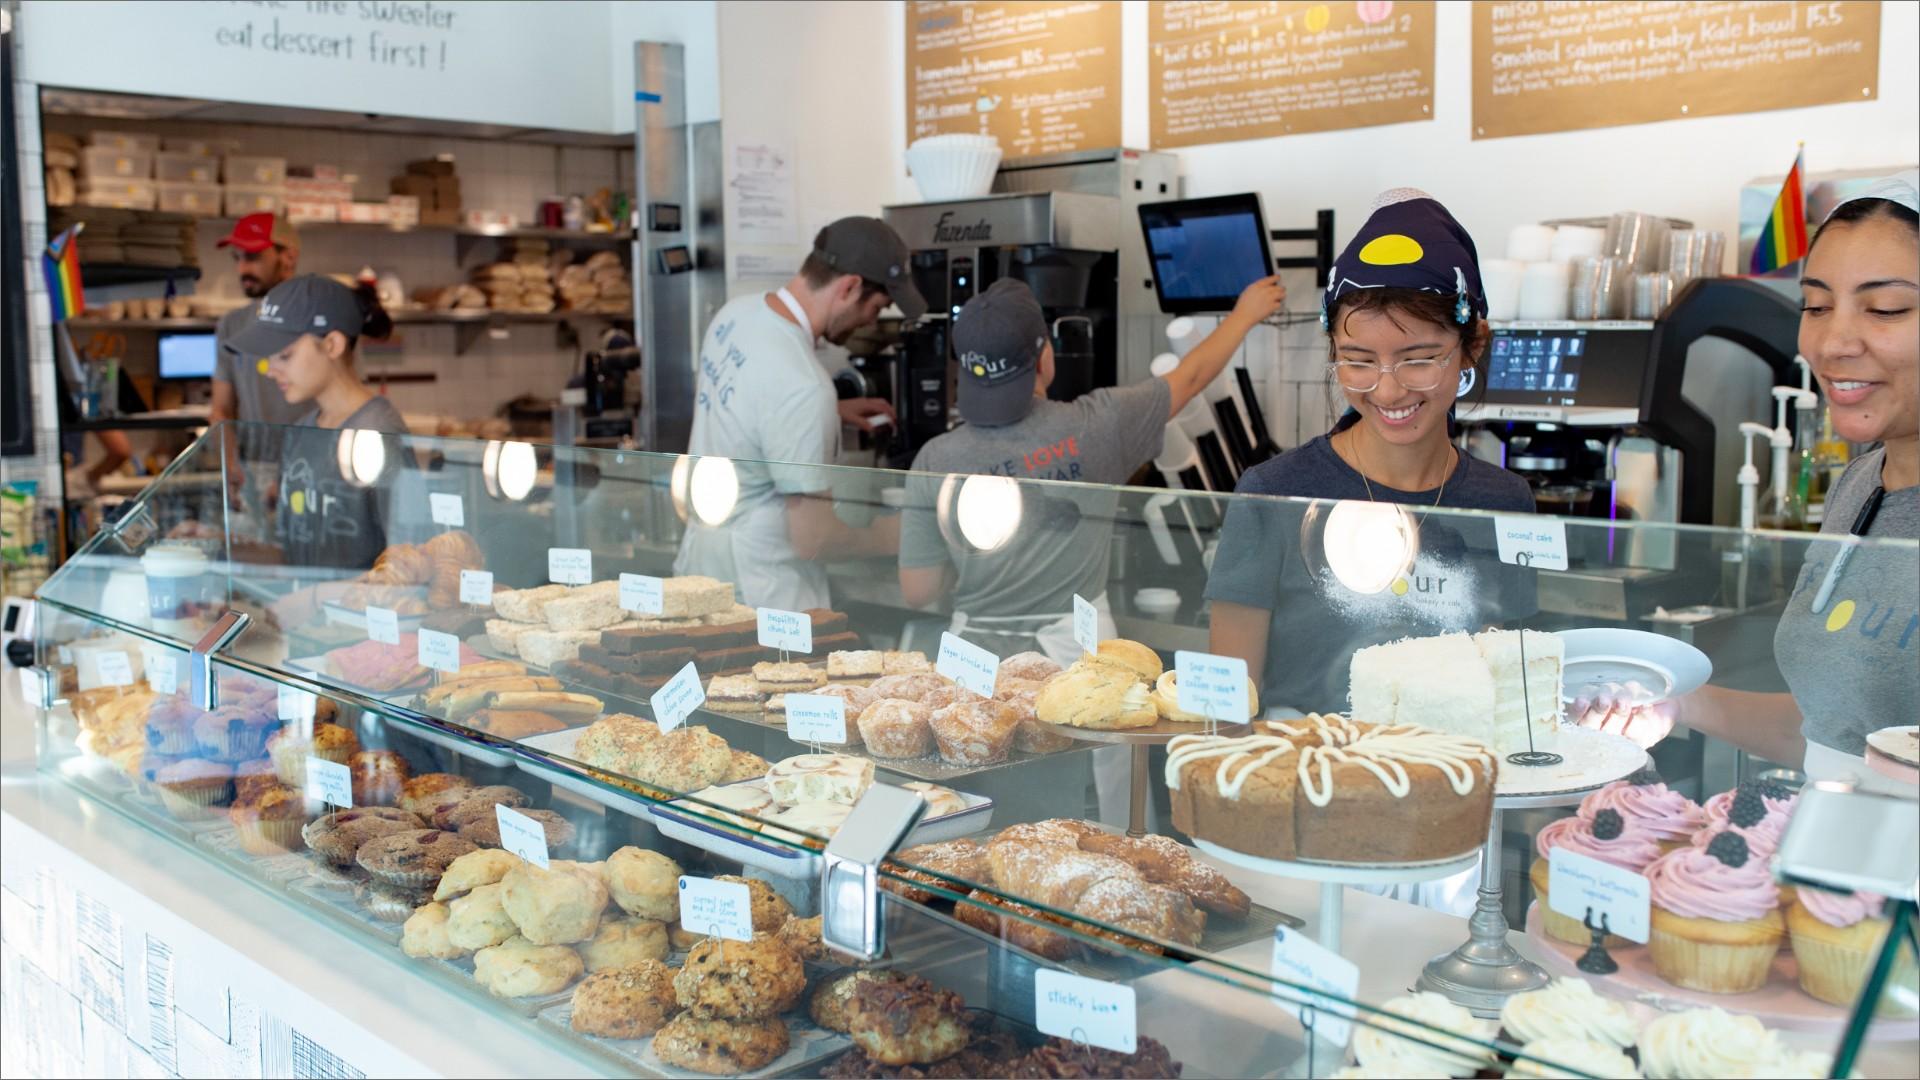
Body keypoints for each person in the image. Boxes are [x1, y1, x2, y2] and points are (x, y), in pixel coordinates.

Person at [1578, 170, 1918, 794]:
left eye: (1885, 308)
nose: (1833, 340)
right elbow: (1831, 730)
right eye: (1815, 305)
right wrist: (1680, 705)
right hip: (1829, 869)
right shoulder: (1858, 487)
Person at [1208, 188, 1536, 713]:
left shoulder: (1505, 502)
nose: (1387, 391)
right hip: (1308, 783)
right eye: (1358, 361)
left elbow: (1509, 694)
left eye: (1419, 359)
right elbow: (1225, 710)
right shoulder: (1274, 494)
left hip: (1453, 785)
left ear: (1472, 343)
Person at [897, 274, 1286, 662]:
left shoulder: (934, 458)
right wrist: (1244, 314)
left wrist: (973, 562)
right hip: (1077, 661)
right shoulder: (1098, 425)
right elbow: (1192, 376)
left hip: (974, 663)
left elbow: (918, 590)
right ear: (1044, 355)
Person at [673, 217, 923, 610]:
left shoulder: (735, 315)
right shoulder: (804, 387)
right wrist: (900, 533)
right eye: (878, 307)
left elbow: (750, 403)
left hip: (702, 565)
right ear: (850, 287)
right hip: (764, 595)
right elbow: (814, 539)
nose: (872, 321)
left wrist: (833, 411)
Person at [223, 274, 407, 617]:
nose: (270, 370)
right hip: (308, 634)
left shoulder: (378, 432)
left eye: (285, 355)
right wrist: (217, 548)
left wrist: (312, 600)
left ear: (333, 345)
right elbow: (294, 555)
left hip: (362, 635)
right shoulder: (301, 431)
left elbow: (406, 568)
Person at [211, 213, 305, 503]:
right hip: (254, 476)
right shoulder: (231, 326)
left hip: (311, 469)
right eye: (237, 258)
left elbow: (342, 412)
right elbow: (221, 410)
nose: (242, 268)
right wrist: (232, 468)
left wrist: (298, 471)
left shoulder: (320, 321)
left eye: (252, 256)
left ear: (288, 257)